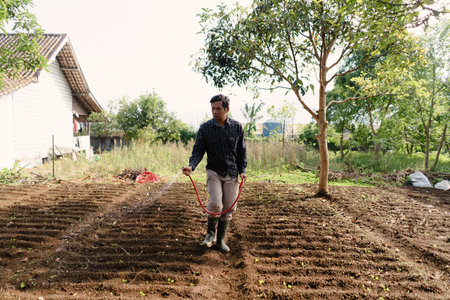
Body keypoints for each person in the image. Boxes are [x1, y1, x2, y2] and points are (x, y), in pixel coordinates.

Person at [182, 94, 247, 253]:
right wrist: (191, 166)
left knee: (229, 207)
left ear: (227, 109)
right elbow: (198, 150)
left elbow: (241, 151)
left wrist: (242, 170)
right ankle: (210, 234)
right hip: (214, 172)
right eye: (213, 108)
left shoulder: (237, 127)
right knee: (216, 204)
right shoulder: (205, 128)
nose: (215, 111)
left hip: (232, 173)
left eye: (218, 108)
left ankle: (220, 240)